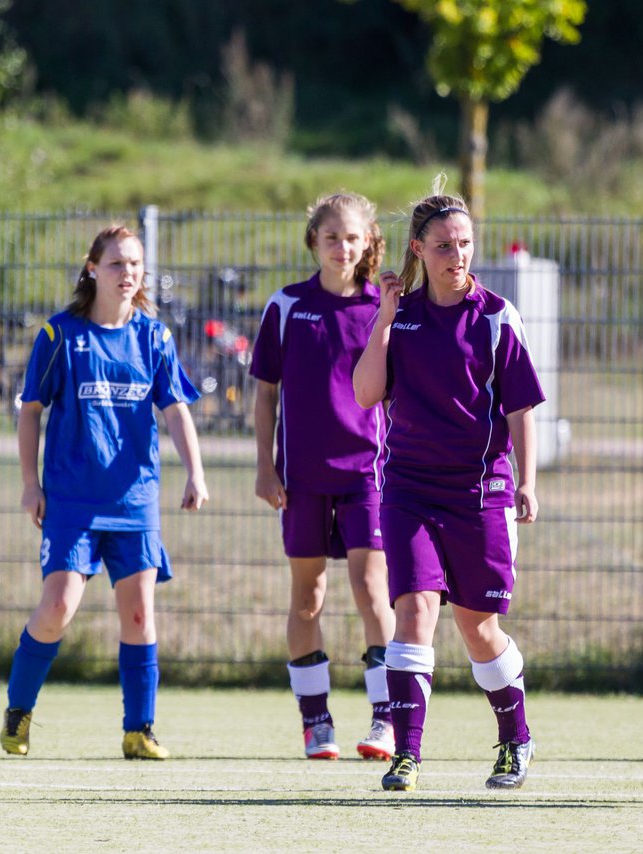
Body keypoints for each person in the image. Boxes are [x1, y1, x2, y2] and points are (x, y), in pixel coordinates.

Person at [351, 183, 545, 792]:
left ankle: (515, 738)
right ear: (419, 249)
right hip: (408, 488)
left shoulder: (495, 316)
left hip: (479, 493)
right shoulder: (400, 316)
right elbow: (364, 393)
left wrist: (527, 483)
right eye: (442, 245)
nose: (456, 255)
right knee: (412, 613)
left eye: (463, 244)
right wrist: (383, 318)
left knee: (477, 627)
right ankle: (406, 753)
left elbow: (521, 410)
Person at [1, 225, 208, 760]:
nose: (128, 273)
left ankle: (139, 730)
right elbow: (30, 413)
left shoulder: (153, 336)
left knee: (140, 616)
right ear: (92, 268)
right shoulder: (60, 335)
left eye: (135, 264)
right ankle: (18, 713)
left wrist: (195, 472)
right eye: (116, 264)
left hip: (134, 502)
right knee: (57, 608)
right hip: (72, 502)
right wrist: (31, 485)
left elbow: (176, 409)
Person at [251, 192, 395, 761]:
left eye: (353, 237)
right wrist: (265, 466)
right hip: (302, 477)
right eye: (331, 236)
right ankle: (317, 723)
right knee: (307, 596)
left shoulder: (385, 309)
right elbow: (264, 394)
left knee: (371, 589)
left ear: (368, 244)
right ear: (314, 240)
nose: (342, 247)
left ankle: (385, 720)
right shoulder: (286, 306)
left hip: (368, 474)